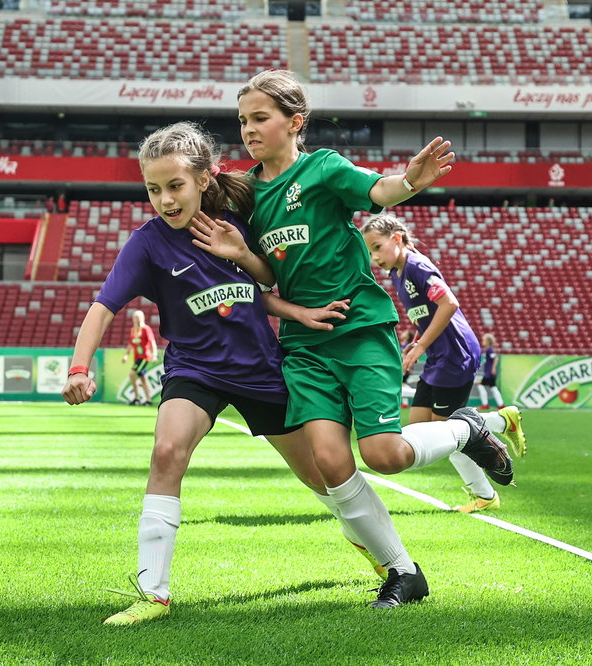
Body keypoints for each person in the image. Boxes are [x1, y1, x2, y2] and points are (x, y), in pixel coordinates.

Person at [199, 69, 526, 608]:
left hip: (360, 331)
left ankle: (466, 430)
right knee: (330, 463)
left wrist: (412, 180)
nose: (249, 129)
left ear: (294, 122)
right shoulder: (247, 195)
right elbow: (263, 278)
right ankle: (403, 574)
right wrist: (248, 263)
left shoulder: (322, 169)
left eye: (260, 118)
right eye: (242, 120)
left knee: (384, 455)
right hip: (305, 347)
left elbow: (380, 191)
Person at [63, 121, 385, 626]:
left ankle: (377, 549)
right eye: (153, 189)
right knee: (167, 452)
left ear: (204, 180)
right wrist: (79, 367)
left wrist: (270, 282)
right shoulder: (147, 245)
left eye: (175, 186)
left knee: (322, 475)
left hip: (262, 370)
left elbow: (272, 279)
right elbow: (103, 307)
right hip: (195, 370)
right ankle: (153, 593)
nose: (165, 200)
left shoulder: (239, 218)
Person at [362, 215, 524, 514]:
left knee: (448, 433)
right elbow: (429, 313)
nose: (374, 258)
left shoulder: (418, 267)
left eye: (377, 247)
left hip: (455, 354)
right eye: (369, 252)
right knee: (419, 430)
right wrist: (419, 342)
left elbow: (449, 303)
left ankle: (486, 490)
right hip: (439, 356)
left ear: (397, 238)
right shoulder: (397, 273)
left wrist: (421, 344)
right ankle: (501, 422)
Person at [127, 309, 158, 405]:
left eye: (139, 317)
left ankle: (136, 398)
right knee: (143, 378)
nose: (138, 319)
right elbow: (131, 344)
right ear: (133, 319)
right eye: (136, 317)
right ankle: (148, 400)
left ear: (143, 318)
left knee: (132, 374)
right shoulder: (133, 330)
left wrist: (154, 354)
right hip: (136, 358)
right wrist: (126, 355)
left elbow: (152, 342)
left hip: (144, 357)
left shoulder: (146, 329)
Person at [477, 333, 504, 411]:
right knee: (493, 388)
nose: (483, 341)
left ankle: (485, 404)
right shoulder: (489, 349)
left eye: (484, 340)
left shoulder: (489, 349)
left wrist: (493, 368)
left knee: (481, 386)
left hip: (488, 374)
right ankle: (500, 404)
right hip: (489, 373)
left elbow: (496, 358)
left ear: (487, 341)